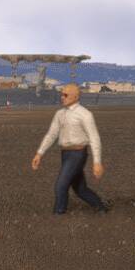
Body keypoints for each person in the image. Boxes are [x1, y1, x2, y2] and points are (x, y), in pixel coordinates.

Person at [30, 83, 110, 213]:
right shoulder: (59, 114)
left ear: (76, 97)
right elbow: (51, 134)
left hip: (78, 154)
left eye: (65, 95)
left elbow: (94, 138)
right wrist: (39, 153)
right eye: (62, 94)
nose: (62, 97)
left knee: (61, 186)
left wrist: (97, 162)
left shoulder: (85, 114)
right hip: (65, 154)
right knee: (80, 189)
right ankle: (101, 206)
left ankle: (59, 213)